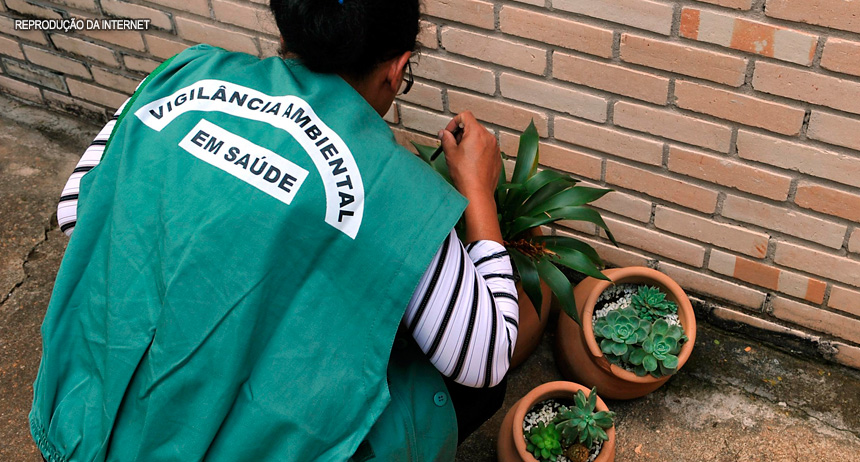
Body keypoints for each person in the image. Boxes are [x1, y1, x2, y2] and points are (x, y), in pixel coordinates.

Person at [31, 0, 519, 460]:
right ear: (396, 68)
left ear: (289, 29)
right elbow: (486, 356)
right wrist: (476, 190)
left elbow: (77, 212)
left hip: (86, 423)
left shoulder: (182, 73)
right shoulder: (399, 192)